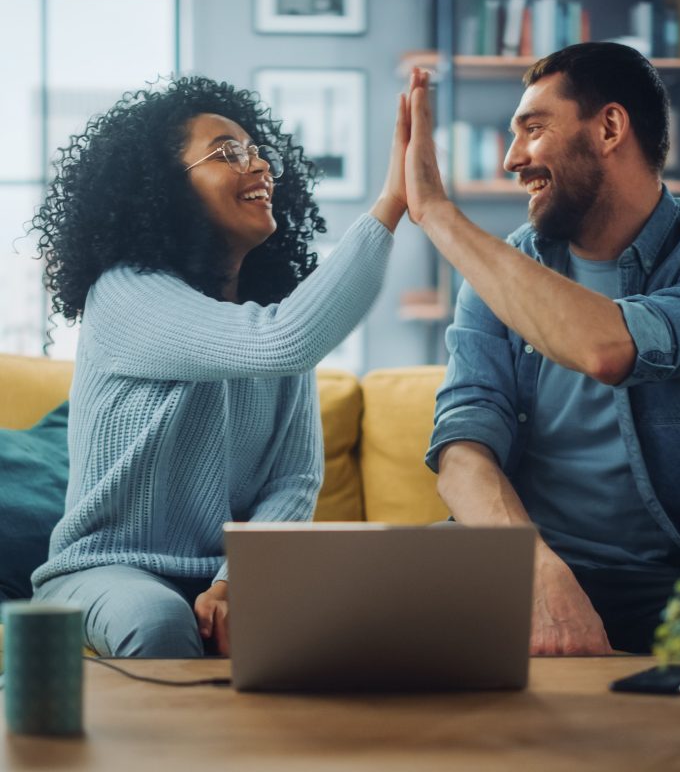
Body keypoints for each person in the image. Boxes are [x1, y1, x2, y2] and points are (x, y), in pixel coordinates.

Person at [403, 43, 680, 654]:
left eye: (533, 129)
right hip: (514, 559)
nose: (511, 159)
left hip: (666, 587)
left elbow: (607, 348)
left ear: (609, 127)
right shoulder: (502, 273)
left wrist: (438, 215)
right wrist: (534, 570)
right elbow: (462, 448)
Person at [30, 74, 412, 658]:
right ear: (163, 188)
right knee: (157, 618)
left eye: (258, 153)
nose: (258, 166)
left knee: (391, 604)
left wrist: (238, 579)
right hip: (105, 570)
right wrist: (391, 205)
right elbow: (282, 341)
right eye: (229, 152)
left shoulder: (268, 321)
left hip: (226, 573)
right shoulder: (126, 295)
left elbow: (293, 482)